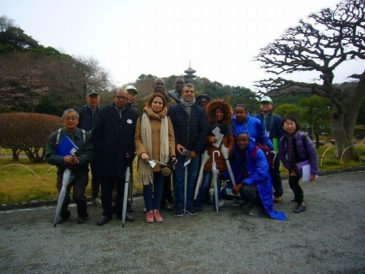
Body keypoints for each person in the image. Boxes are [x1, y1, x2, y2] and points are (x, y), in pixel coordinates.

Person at [92, 89, 139, 226]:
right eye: (118, 97)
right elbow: (96, 135)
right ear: (114, 98)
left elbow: (135, 137)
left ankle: (121, 212)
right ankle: (106, 213)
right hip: (106, 158)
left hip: (125, 158)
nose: (121, 100)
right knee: (106, 187)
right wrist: (103, 150)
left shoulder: (133, 114)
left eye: (123, 98)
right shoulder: (105, 112)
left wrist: (131, 152)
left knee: (122, 187)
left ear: (127, 100)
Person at [46, 108, 94, 224]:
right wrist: (63, 159)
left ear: (78, 120)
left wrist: (79, 159)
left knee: (79, 195)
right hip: (63, 170)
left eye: (74, 118)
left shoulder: (85, 135)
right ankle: (64, 214)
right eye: (68, 118)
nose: (71, 121)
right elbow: (49, 156)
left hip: (80, 171)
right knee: (64, 196)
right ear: (63, 120)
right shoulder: (55, 136)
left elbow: (91, 152)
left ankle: (83, 214)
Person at [168, 83, 208, 216]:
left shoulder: (200, 111)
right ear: (182, 93)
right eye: (186, 91)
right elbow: (170, 130)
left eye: (191, 91)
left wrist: (196, 150)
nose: (189, 93)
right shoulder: (173, 109)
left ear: (194, 93)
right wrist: (176, 144)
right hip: (179, 150)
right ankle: (179, 206)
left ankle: (189, 204)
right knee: (178, 178)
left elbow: (203, 132)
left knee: (192, 177)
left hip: (194, 151)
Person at [135, 93, 176, 223]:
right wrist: (142, 153)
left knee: (159, 185)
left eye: (160, 103)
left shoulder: (166, 119)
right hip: (147, 158)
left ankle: (156, 209)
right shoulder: (142, 118)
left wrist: (172, 154)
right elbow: (137, 138)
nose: (157, 105)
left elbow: (171, 138)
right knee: (147, 185)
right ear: (150, 103)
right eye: (155, 102)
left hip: (161, 158)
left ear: (163, 105)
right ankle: (148, 209)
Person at [230, 132, 286, 220]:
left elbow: (262, 174)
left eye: (244, 140)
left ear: (249, 141)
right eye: (239, 140)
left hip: (262, 182)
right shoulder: (240, 152)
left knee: (245, 188)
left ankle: (260, 206)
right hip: (250, 179)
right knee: (237, 186)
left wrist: (242, 183)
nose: (241, 142)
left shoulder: (257, 152)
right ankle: (252, 202)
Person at [195, 100, 234, 211]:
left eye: (221, 112)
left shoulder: (227, 127)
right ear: (213, 113)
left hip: (222, 158)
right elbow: (202, 139)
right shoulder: (208, 125)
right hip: (209, 157)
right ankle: (198, 204)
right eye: (216, 112)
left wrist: (228, 151)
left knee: (217, 183)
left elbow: (232, 141)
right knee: (206, 183)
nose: (218, 114)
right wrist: (209, 139)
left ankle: (216, 204)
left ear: (224, 113)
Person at [279, 117, 318, 213]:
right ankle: (298, 197)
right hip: (291, 165)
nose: (289, 126)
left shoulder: (304, 137)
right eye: (287, 124)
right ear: (283, 126)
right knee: (292, 182)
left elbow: (313, 155)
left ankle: (301, 202)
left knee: (293, 182)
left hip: (304, 164)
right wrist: (289, 167)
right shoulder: (283, 139)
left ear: (296, 125)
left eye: (291, 123)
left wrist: (314, 172)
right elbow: (281, 155)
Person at [256, 96, 284, 203]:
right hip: (259, 148)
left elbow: (280, 135)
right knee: (260, 170)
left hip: (274, 147)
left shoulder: (277, 118)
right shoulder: (256, 118)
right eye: (263, 103)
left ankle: (278, 193)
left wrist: (277, 150)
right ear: (260, 105)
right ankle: (261, 192)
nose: (265, 105)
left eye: (267, 104)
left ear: (271, 105)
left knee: (274, 171)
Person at [78, 90, 102, 205]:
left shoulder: (102, 112)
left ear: (99, 99)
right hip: (83, 147)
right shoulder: (81, 111)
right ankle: (80, 196)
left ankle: (95, 196)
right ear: (87, 98)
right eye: (91, 97)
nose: (93, 99)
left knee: (97, 173)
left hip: (97, 147)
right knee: (82, 172)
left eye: (95, 97)